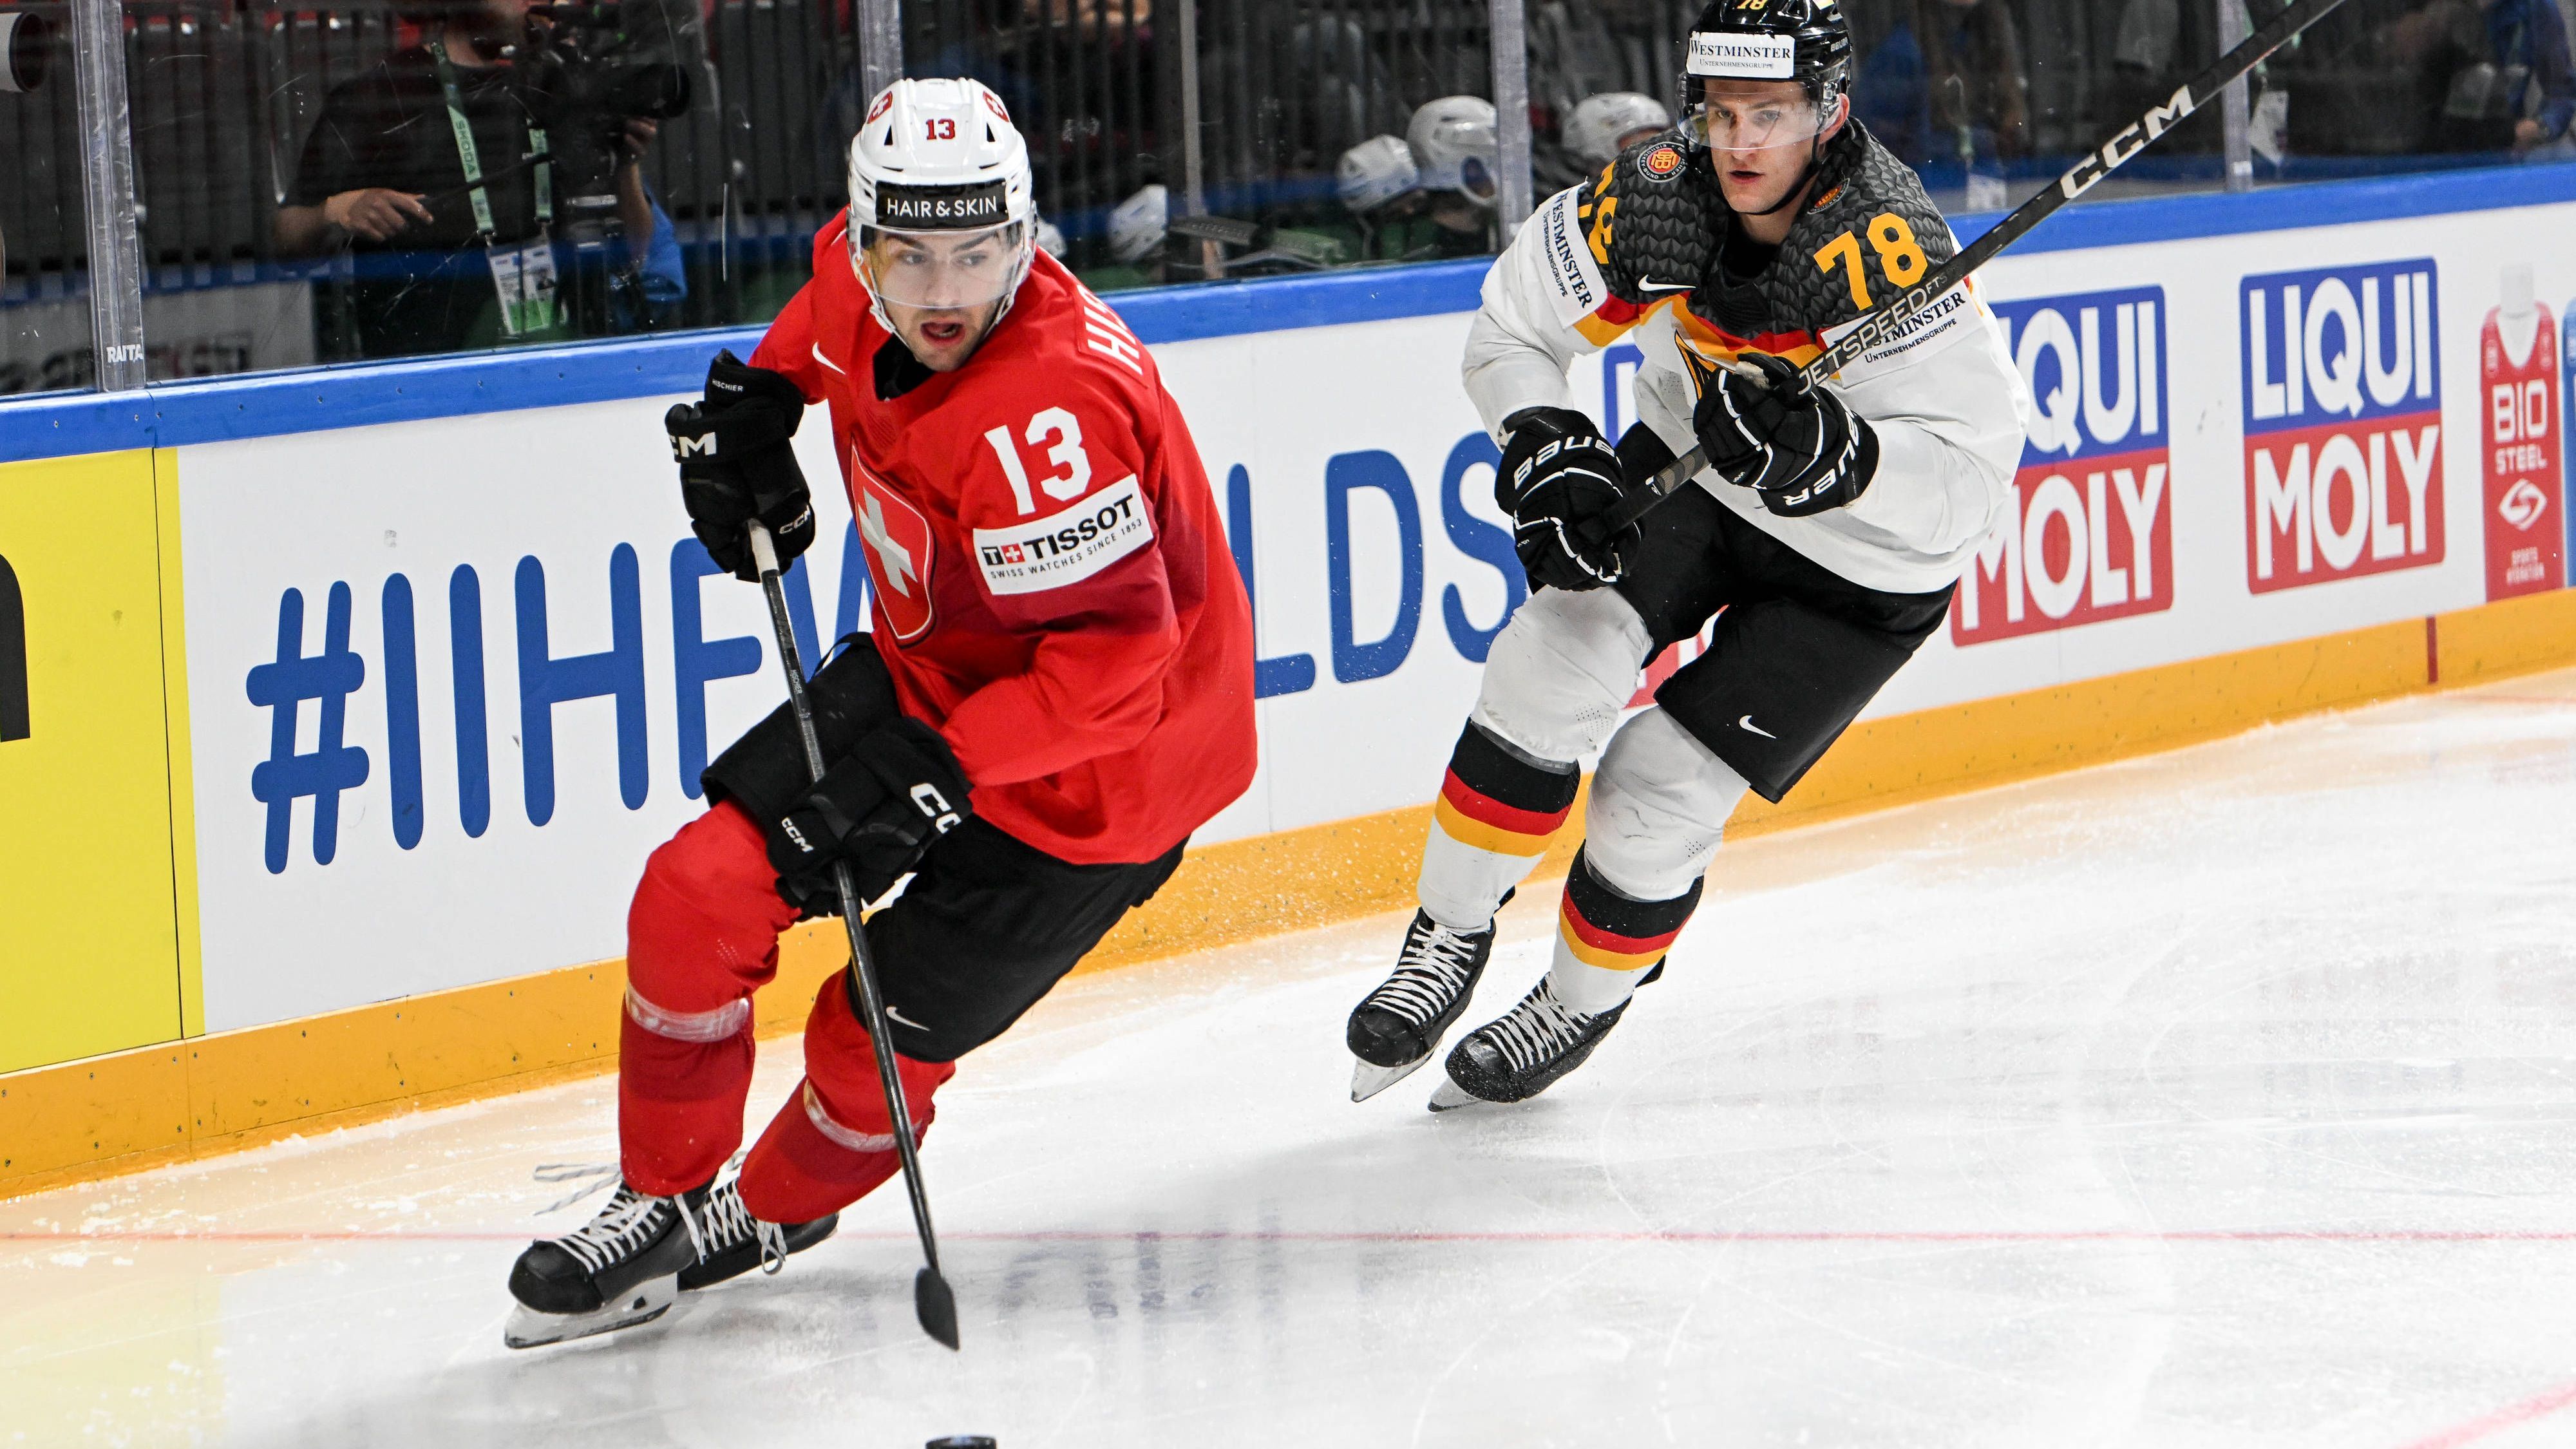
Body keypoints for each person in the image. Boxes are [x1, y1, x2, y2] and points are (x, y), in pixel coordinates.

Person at [501, 77, 1257, 1347]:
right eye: (908, 255)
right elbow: (803, 349)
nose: (943, 291)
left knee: (866, 1038)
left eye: (977, 253)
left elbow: (1115, 669)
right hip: (931, 684)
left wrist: (932, 775)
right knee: (695, 894)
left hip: (1105, 785)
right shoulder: (860, 289)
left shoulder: (1049, 409)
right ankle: (662, 1198)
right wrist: (755, 423)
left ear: (1025, 242)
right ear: (861, 244)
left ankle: (774, 1207)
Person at [1342, 0, 2027, 1109]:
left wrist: (1845, 459)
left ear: (1830, 111)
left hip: (1865, 568)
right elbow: (1512, 331)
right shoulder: (1658, 194)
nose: (1742, 144)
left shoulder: (1886, 248)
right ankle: (1446, 937)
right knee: (1550, 657)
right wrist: (1545, 440)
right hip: (1702, 472)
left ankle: (1576, 1002)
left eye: (1772, 114)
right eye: (1722, 112)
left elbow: (1965, 495)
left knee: (1655, 790)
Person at [274, 0, 682, 359]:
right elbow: (286, 237)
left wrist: (626, 164)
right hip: (430, 380)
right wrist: (337, 210)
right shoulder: (382, 95)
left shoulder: (566, 87)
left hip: (561, 366)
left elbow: (637, 253)